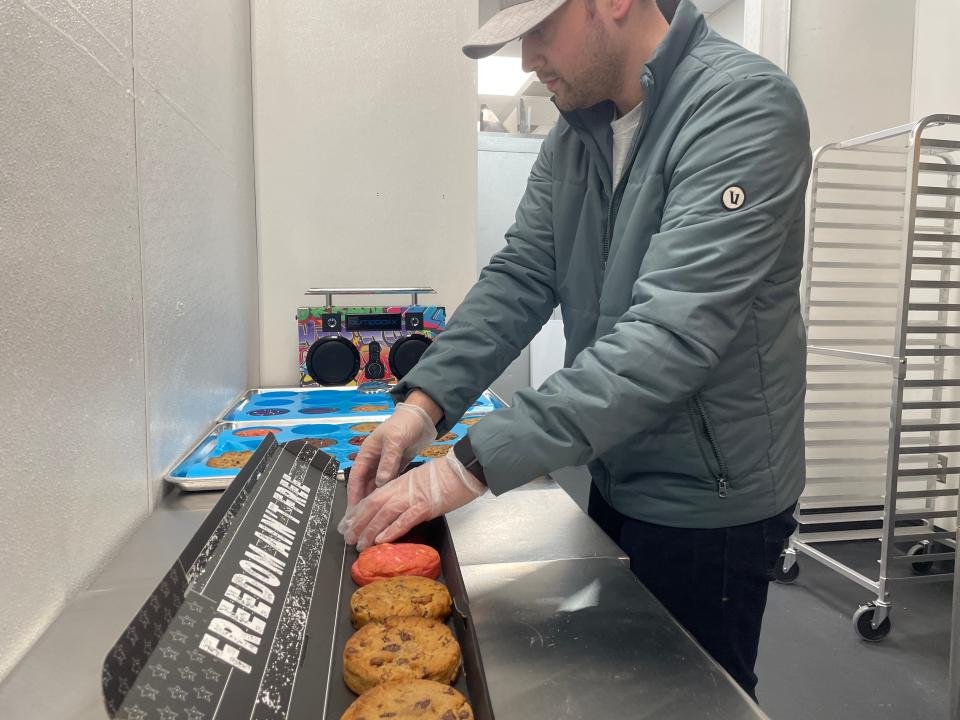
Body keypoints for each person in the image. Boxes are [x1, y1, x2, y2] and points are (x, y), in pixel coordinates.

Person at [338, 0, 810, 699]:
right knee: (622, 687)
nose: (527, 59)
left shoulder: (742, 107)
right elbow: (522, 277)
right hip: (617, 461)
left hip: (711, 496)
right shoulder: (576, 135)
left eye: (538, 31)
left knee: (691, 696)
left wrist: (466, 468)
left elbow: (671, 336)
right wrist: (422, 404)